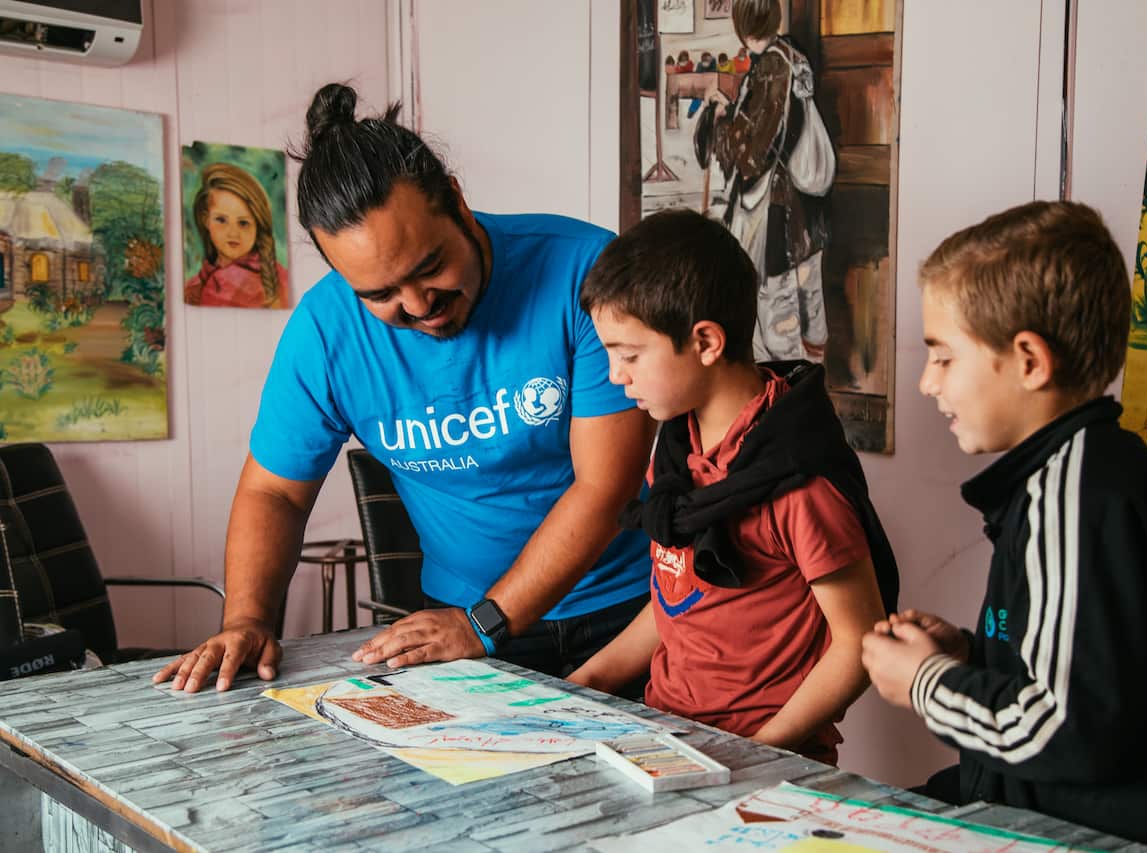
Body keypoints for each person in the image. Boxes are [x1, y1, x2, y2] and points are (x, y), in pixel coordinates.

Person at [155, 83, 654, 693]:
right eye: (380, 294)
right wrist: (247, 619)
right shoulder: (326, 331)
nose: (418, 306)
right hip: (458, 618)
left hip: (622, 611)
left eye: (429, 267)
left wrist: (486, 621)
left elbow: (604, 486)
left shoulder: (583, 271)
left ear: (459, 204)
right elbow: (274, 492)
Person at [860, 201, 1147, 852]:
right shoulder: (1098, 468)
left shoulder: (1073, 492)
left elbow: (1067, 728)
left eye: (943, 358)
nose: (926, 383)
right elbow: (1090, 667)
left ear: (1029, 361)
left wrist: (925, 682)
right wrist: (970, 656)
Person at [568, 209, 898, 765]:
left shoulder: (799, 483)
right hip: (667, 741)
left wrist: (751, 754)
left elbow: (858, 642)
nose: (615, 375)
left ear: (705, 342)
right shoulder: (678, 449)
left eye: (628, 355)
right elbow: (678, 598)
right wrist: (588, 680)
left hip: (768, 765)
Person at [705, 0, 830, 363]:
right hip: (804, 207)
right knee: (809, 311)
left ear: (741, 25)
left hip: (777, 210)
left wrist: (722, 120)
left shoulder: (771, 67)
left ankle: (789, 390)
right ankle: (812, 384)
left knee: (778, 317)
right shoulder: (793, 55)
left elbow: (754, 152)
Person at [184, 162, 290, 309]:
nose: (233, 233)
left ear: (258, 225)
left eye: (243, 223)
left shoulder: (279, 280)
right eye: (221, 220)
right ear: (205, 219)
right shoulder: (194, 285)